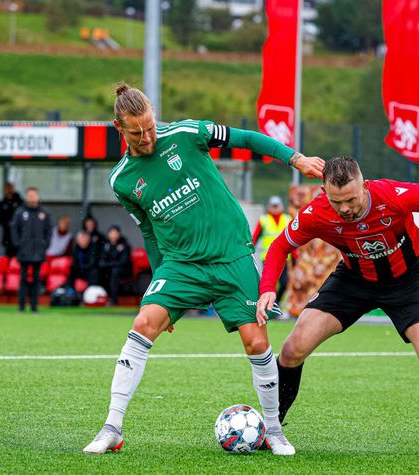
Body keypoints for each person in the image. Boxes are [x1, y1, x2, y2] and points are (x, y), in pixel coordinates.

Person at [83, 83, 324, 456]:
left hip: (232, 256)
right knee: (144, 323)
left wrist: (295, 159)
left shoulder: (186, 133)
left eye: (149, 126)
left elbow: (246, 138)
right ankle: (112, 427)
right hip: (181, 266)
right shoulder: (122, 180)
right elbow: (148, 230)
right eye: (136, 132)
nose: (147, 137)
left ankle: (274, 431)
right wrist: (159, 286)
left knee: (256, 342)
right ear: (119, 127)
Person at [256, 157, 419, 439]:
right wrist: (268, 288)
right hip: (353, 281)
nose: (345, 208)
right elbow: (279, 247)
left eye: (350, 199)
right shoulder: (318, 212)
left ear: (364, 186)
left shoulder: (393, 196)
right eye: (337, 202)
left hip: (407, 282)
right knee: (291, 350)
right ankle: (272, 428)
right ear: (324, 192)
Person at [10, 187, 52, 313]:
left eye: (34, 195)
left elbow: (49, 231)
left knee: (36, 280)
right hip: (24, 252)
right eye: (29, 195)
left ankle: (34, 307)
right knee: (23, 279)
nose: (32, 198)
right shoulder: (20, 212)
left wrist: (44, 245)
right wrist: (18, 244)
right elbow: (14, 229)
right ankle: (21, 307)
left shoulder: (44, 213)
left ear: (38, 196)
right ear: (26, 197)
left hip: (38, 252)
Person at [252, 196, 292, 306]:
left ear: (281, 206)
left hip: (284, 258)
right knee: (269, 284)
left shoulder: (287, 219)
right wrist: (249, 252)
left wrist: (295, 257)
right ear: (269, 207)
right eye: (273, 206)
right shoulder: (263, 220)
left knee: (284, 283)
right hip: (267, 257)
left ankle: (276, 303)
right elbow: (255, 238)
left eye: (277, 205)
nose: (275, 208)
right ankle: (267, 306)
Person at [98, 225, 133, 306]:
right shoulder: (105, 245)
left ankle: (113, 300)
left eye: (115, 233)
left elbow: (124, 262)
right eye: (111, 233)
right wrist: (111, 264)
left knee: (115, 271)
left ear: (119, 234)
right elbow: (101, 262)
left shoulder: (124, 245)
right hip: (109, 270)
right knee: (97, 271)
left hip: (123, 270)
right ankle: (98, 298)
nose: (113, 235)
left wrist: (110, 264)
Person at [0, 182, 23, 257]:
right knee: (8, 256)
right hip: (8, 235)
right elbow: (0, 219)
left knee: (20, 255)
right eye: (7, 188)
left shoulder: (20, 202)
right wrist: (9, 224)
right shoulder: (2, 203)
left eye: (10, 188)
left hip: (19, 234)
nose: (9, 190)